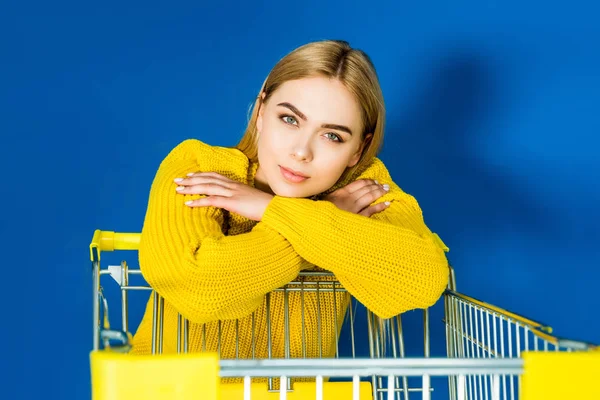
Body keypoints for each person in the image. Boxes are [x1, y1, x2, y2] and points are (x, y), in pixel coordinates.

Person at [129, 40, 450, 361]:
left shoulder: (365, 188)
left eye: (332, 136)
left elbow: (419, 281)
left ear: (358, 150)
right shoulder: (201, 166)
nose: (301, 151)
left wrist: (270, 208)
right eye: (290, 119)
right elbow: (199, 289)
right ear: (260, 111)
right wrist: (325, 218)